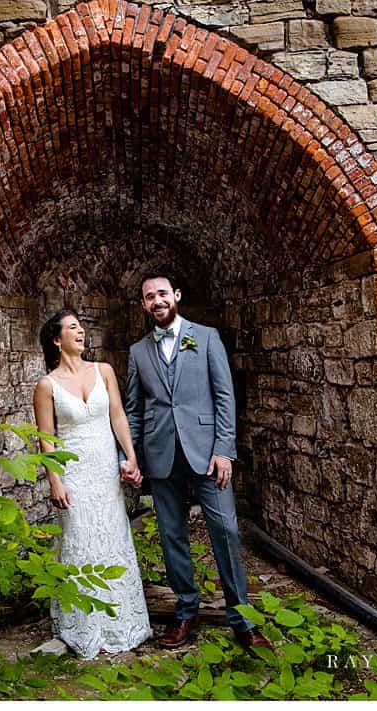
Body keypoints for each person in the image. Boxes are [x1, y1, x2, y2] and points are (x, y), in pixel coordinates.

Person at [121, 271, 271, 650]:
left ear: (176, 295)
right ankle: (186, 613)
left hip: (207, 454)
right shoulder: (138, 352)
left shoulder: (205, 337)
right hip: (161, 457)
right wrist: (131, 457)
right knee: (172, 537)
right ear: (143, 305)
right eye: (149, 297)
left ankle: (243, 620)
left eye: (162, 294)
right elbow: (134, 410)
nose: (157, 301)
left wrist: (224, 450)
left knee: (226, 532)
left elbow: (225, 396)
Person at [32, 308, 152, 659]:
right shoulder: (47, 385)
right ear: (57, 339)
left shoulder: (104, 371)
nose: (81, 332)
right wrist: (55, 480)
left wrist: (130, 458)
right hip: (74, 475)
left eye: (81, 327)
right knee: (79, 542)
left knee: (113, 539)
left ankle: (121, 623)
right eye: (72, 328)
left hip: (104, 471)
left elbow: (118, 415)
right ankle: (83, 628)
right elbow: (46, 438)